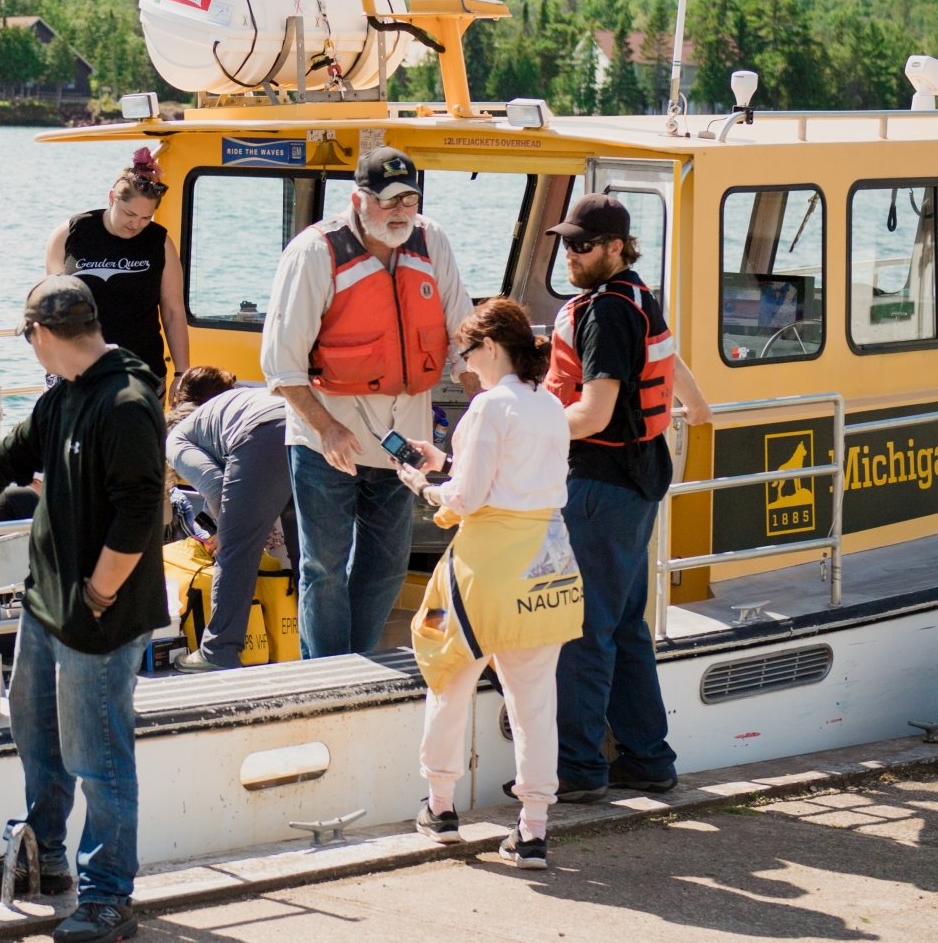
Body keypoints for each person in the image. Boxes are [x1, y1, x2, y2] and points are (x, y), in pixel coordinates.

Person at [0, 275, 165, 943]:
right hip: (47, 605)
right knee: (36, 730)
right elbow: (3, 461)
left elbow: (138, 511)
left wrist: (98, 592)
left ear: (40, 334)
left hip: (97, 614)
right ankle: (45, 854)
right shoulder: (63, 397)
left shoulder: (123, 401)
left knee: (99, 752)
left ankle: (107, 892)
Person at [259, 147, 472, 658]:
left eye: (410, 199)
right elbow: (281, 365)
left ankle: (356, 661)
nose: (401, 210)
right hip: (327, 440)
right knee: (324, 568)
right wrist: (326, 427)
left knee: (386, 566)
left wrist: (485, 412)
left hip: (405, 444)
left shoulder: (431, 241)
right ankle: (328, 674)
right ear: (358, 199)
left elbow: (465, 341)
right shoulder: (314, 253)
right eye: (389, 200)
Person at [396, 298, 576, 871]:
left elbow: (467, 501)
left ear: (491, 348)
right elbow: (511, 476)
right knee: (534, 701)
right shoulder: (548, 405)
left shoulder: (488, 407)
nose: (464, 365)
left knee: (447, 674)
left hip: (486, 567)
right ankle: (533, 831)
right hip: (548, 562)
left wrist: (424, 485)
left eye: (467, 353)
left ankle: (441, 807)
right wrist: (446, 461)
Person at [541, 194, 711, 801]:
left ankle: (579, 770)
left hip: (599, 483)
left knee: (584, 628)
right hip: (637, 481)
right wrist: (694, 403)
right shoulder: (639, 296)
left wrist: (521, 424)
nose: (571, 255)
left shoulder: (606, 313)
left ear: (616, 247)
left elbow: (593, 413)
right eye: (566, 243)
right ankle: (646, 757)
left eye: (583, 245)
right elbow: (668, 359)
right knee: (626, 626)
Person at [162, 365, 296, 671]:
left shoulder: (177, 440)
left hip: (265, 434)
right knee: (306, 553)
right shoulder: (231, 406)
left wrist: (227, 530)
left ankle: (218, 650)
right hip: (304, 427)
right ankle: (313, 642)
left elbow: (214, 484)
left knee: (235, 550)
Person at [47, 146, 188, 393]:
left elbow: (173, 311)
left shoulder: (160, 242)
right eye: (129, 214)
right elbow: (54, 304)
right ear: (112, 198)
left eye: (146, 218)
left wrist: (181, 372)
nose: (135, 224)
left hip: (141, 374)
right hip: (76, 373)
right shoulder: (71, 234)